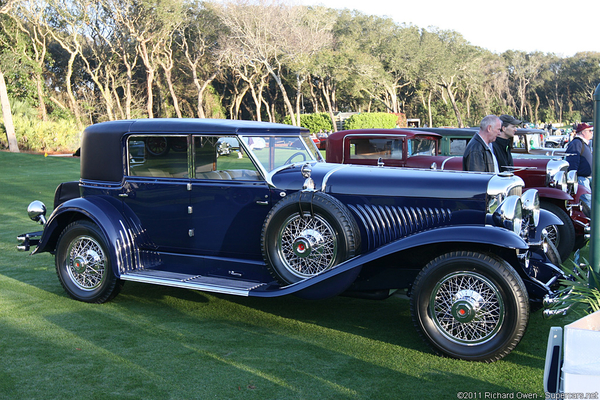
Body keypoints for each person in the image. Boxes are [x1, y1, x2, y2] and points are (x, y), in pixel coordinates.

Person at [565, 123, 594, 211]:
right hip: (581, 179)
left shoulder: (582, 143)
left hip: (585, 179)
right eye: (589, 131)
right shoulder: (576, 143)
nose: (591, 132)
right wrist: (573, 180)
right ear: (583, 132)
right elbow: (572, 163)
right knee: (587, 203)